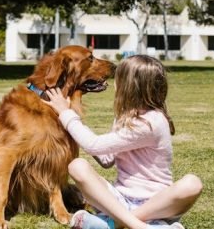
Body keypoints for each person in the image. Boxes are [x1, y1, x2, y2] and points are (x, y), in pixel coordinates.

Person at [43, 55, 202, 229]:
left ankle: (121, 224)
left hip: (156, 203)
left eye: (118, 79)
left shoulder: (152, 122)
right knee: (77, 166)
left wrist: (66, 114)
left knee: (192, 183)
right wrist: (73, 123)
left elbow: (93, 145)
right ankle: (141, 225)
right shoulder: (124, 117)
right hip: (121, 199)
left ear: (128, 87)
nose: (114, 84)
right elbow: (106, 159)